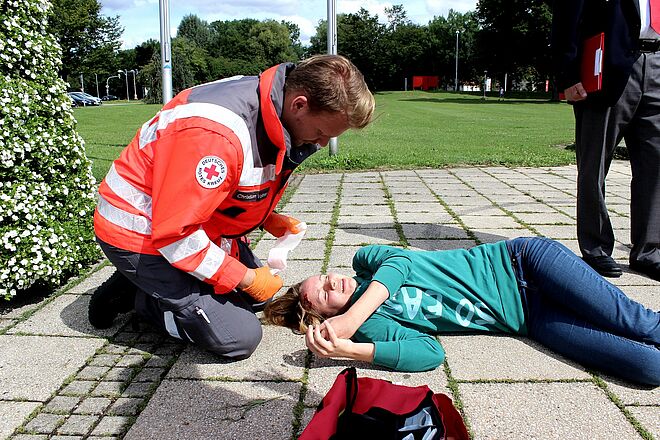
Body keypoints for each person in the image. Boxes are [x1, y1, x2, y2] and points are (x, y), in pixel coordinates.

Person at [89, 55, 375, 360]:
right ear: (300, 104)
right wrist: (248, 278)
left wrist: (265, 217)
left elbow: (228, 186)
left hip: (185, 222)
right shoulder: (215, 135)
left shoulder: (271, 104)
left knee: (252, 302)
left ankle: (156, 282)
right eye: (321, 132)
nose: (321, 142)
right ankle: (140, 297)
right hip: (138, 234)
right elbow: (175, 234)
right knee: (238, 337)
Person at [264, 237, 660, 385]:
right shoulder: (375, 327)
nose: (334, 282)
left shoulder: (365, 263)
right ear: (323, 317)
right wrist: (352, 349)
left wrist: (350, 318)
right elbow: (429, 354)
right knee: (647, 368)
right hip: (529, 317)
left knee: (636, 322)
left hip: (525, 264)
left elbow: (400, 264)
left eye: (326, 276)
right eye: (326, 295)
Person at [551, 0, 660, 280]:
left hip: (657, 62)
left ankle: (649, 251)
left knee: (655, 167)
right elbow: (568, 11)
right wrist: (567, 74)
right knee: (594, 165)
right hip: (608, 67)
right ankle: (596, 247)